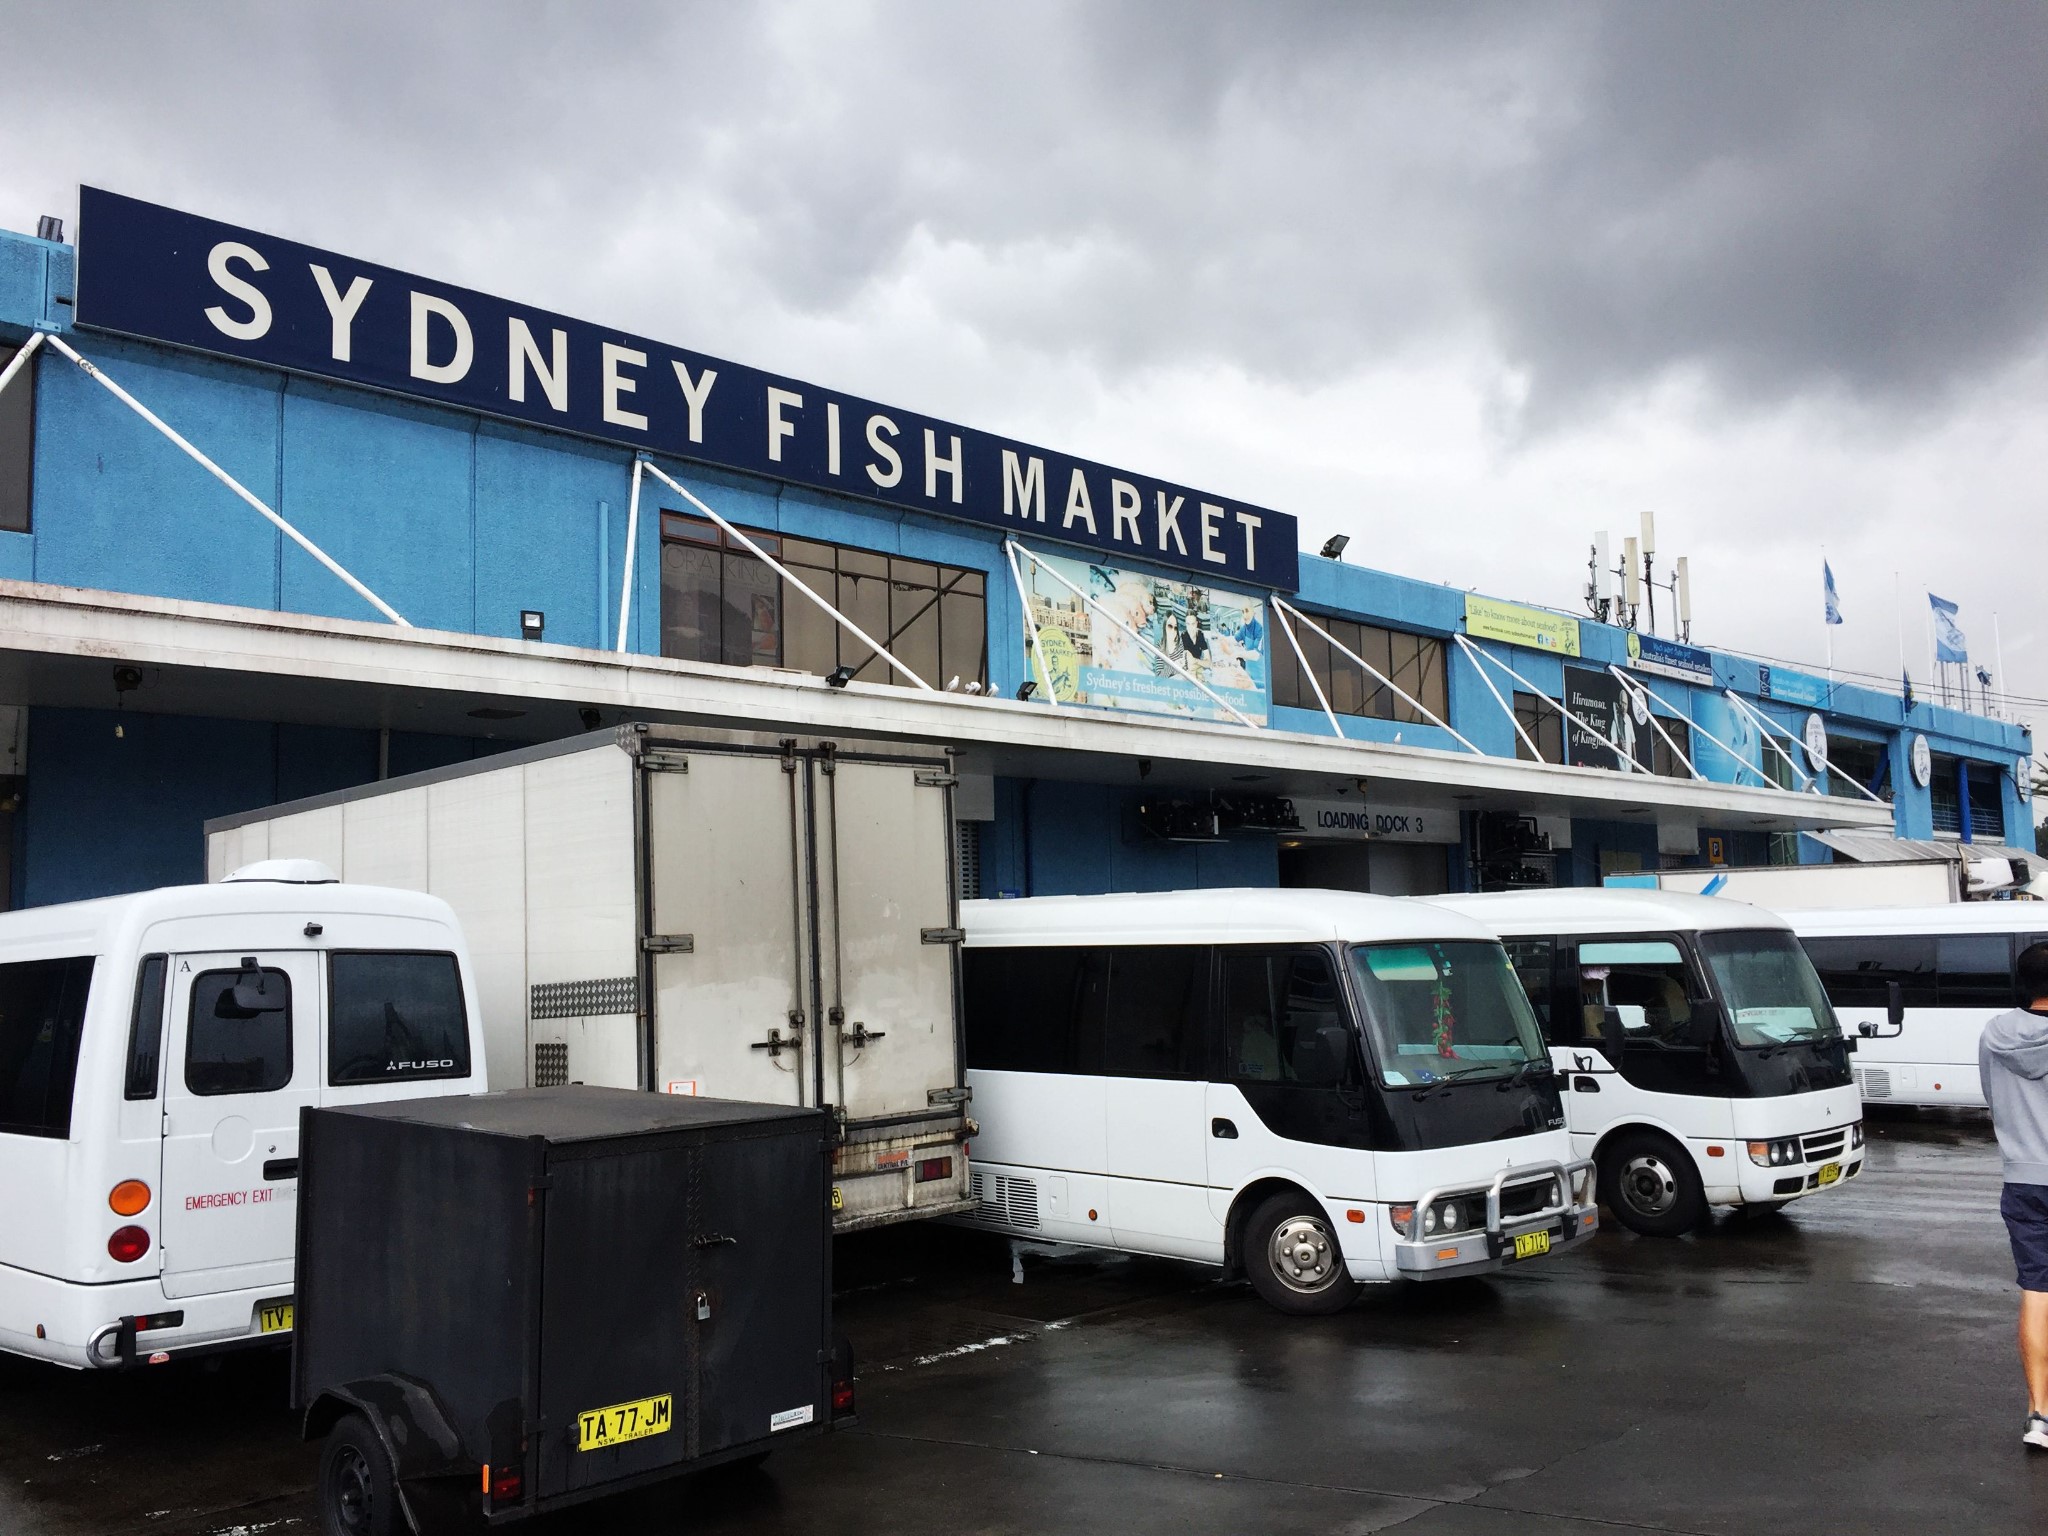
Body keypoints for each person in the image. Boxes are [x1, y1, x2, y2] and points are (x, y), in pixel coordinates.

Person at [1981, 941, 2048, 1451]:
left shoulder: (1994, 1034)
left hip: (2023, 1179)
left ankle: (2038, 1416)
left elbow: (1992, 1097)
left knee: (2037, 1291)